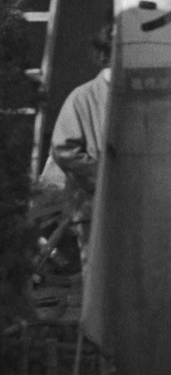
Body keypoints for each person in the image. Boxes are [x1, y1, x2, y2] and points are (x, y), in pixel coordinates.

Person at [45, 24, 113, 257]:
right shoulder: (83, 98)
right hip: (95, 211)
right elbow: (64, 150)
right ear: (106, 54)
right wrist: (103, 176)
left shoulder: (141, 96)